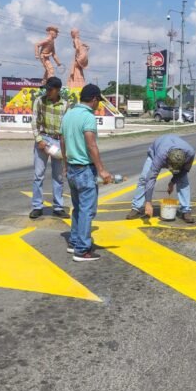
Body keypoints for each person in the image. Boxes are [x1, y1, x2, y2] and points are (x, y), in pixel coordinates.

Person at [60, 84, 111, 261]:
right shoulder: (88, 117)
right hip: (84, 170)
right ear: (94, 99)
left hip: (72, 168)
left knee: (78, 208)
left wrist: (65, 164)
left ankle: (74, 241)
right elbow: (91, 145)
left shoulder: (69, 114)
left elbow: (62, 141)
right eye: (98, 101)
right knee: (87, 211)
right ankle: (82, 250)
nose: (98, 105)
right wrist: (101, 170)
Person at [126, 134, 196, 223]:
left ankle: (186, 211)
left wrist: (172, 182)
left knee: (183, 181)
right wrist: (148, 202)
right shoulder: (160, 157)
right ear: (167, 161)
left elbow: (184, 171)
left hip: (172, 147)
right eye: (172, 168)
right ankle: (136, 207)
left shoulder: (190, 154)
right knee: (144, 178)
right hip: (156, 151)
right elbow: (151, 178)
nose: (173, 170)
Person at [30, 76, 69, 219]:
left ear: (57, 90)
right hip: (43, 139)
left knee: (58, 176)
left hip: (58, 141)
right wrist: (39, 139)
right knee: (38, 175)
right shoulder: (39, 101)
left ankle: (58, 207)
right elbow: (34, 121)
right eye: (46, 89)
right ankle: (37, 207)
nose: (47, 92)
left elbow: (67, 126)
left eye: (50, 90)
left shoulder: (65, 105)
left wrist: (66, 146)